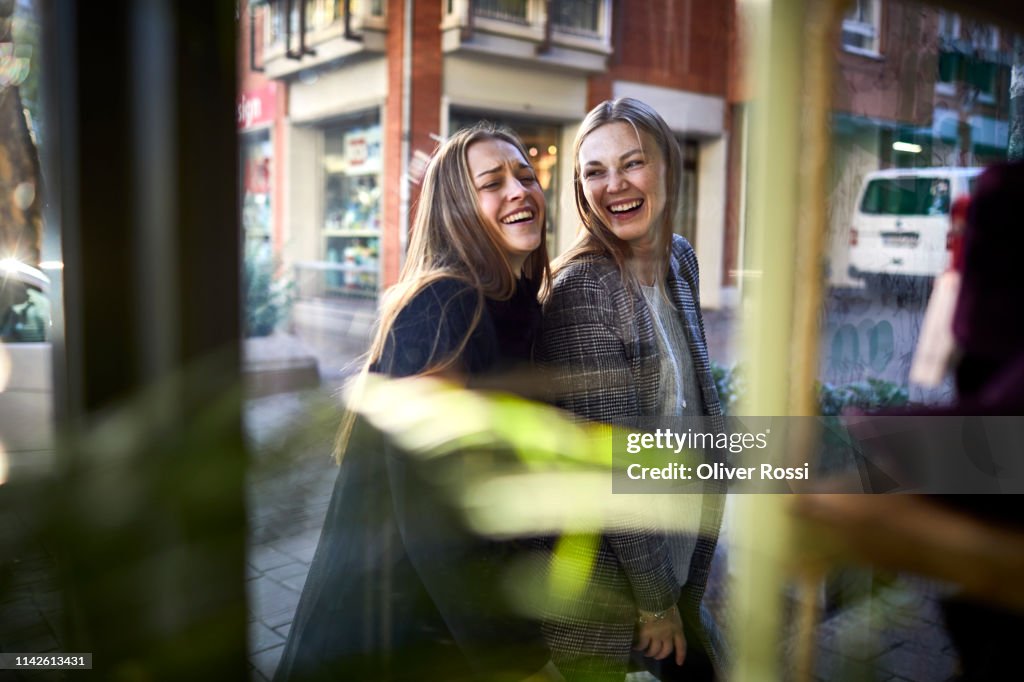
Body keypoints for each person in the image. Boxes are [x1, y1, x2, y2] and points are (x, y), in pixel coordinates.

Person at [273, 123, 560, 682]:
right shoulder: (442, 304)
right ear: (455, 208)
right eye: (492, 182)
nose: (520, 191)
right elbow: (437, 517)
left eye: (526, 176)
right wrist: (516, 655)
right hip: (394, 632)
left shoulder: (519, 304)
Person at [536, 98, 726, 681]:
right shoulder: (583, 288)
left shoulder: (680, 260)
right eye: (594, 171)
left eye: (632, 163)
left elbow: (693, 398)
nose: (613, 184)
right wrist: (654, 601)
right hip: (609, 581)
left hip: (677, 544)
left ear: (667, 167)